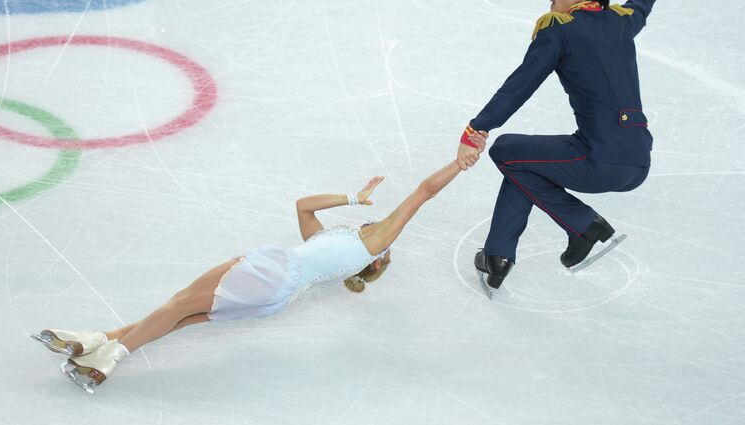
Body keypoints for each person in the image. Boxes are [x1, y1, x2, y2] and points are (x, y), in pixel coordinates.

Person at [32, 134, 488, 394]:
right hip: (275, 293)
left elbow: (424, 192)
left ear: (379, 257)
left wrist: (460, 160)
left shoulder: (373, 242)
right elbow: (303, 207)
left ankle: (107, 360)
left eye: (389, 245)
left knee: (174, 306)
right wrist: (353, 196)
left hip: (271, 272)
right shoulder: (332, 246)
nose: (388, 232)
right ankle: (95, 340)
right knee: (177, 317)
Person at [458, 0, 677, 289]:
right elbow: (644, 0)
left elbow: (519, 86)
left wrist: (477, 129)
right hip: (638, 163)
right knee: (523, 164)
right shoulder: (622, 22)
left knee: (506, 151)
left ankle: (583, 224)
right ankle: (497, 256)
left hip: (598, 159)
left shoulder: (559, 29)